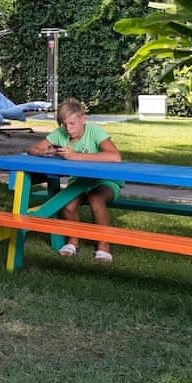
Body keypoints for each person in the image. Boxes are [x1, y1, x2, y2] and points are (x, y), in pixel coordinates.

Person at [27, 98, 123, 262]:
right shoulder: (61, 133)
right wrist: (44, 152)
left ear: (83, 119)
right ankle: (73, 241)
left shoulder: (94, 130)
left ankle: (104, 245)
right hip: (78, 183)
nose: (68, 129)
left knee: (96, 198)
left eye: (72, 123)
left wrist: (76, 156)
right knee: (66, 203)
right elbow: (32, 149)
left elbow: (115, 157)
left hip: (105, 181)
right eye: (64, 124)